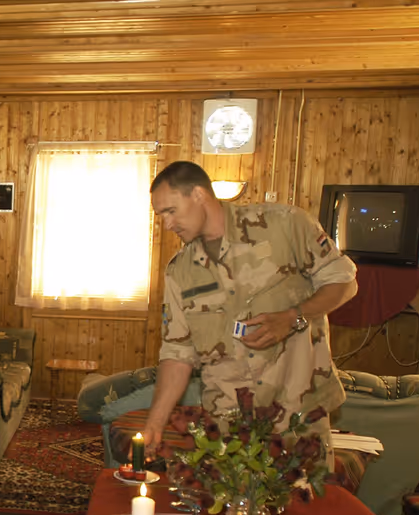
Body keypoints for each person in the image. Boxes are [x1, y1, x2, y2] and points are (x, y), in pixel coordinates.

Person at [141, 161, 358, 470]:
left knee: (304, 514)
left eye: (171, 211)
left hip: (298, 418)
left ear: (199, 195)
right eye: (160, 215)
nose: (167, 224)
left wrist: (295, 316)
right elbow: (178, 353)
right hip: (229, 427)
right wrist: (155, 422)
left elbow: (345, 281)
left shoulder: (284, 225)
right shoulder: (181, 272)